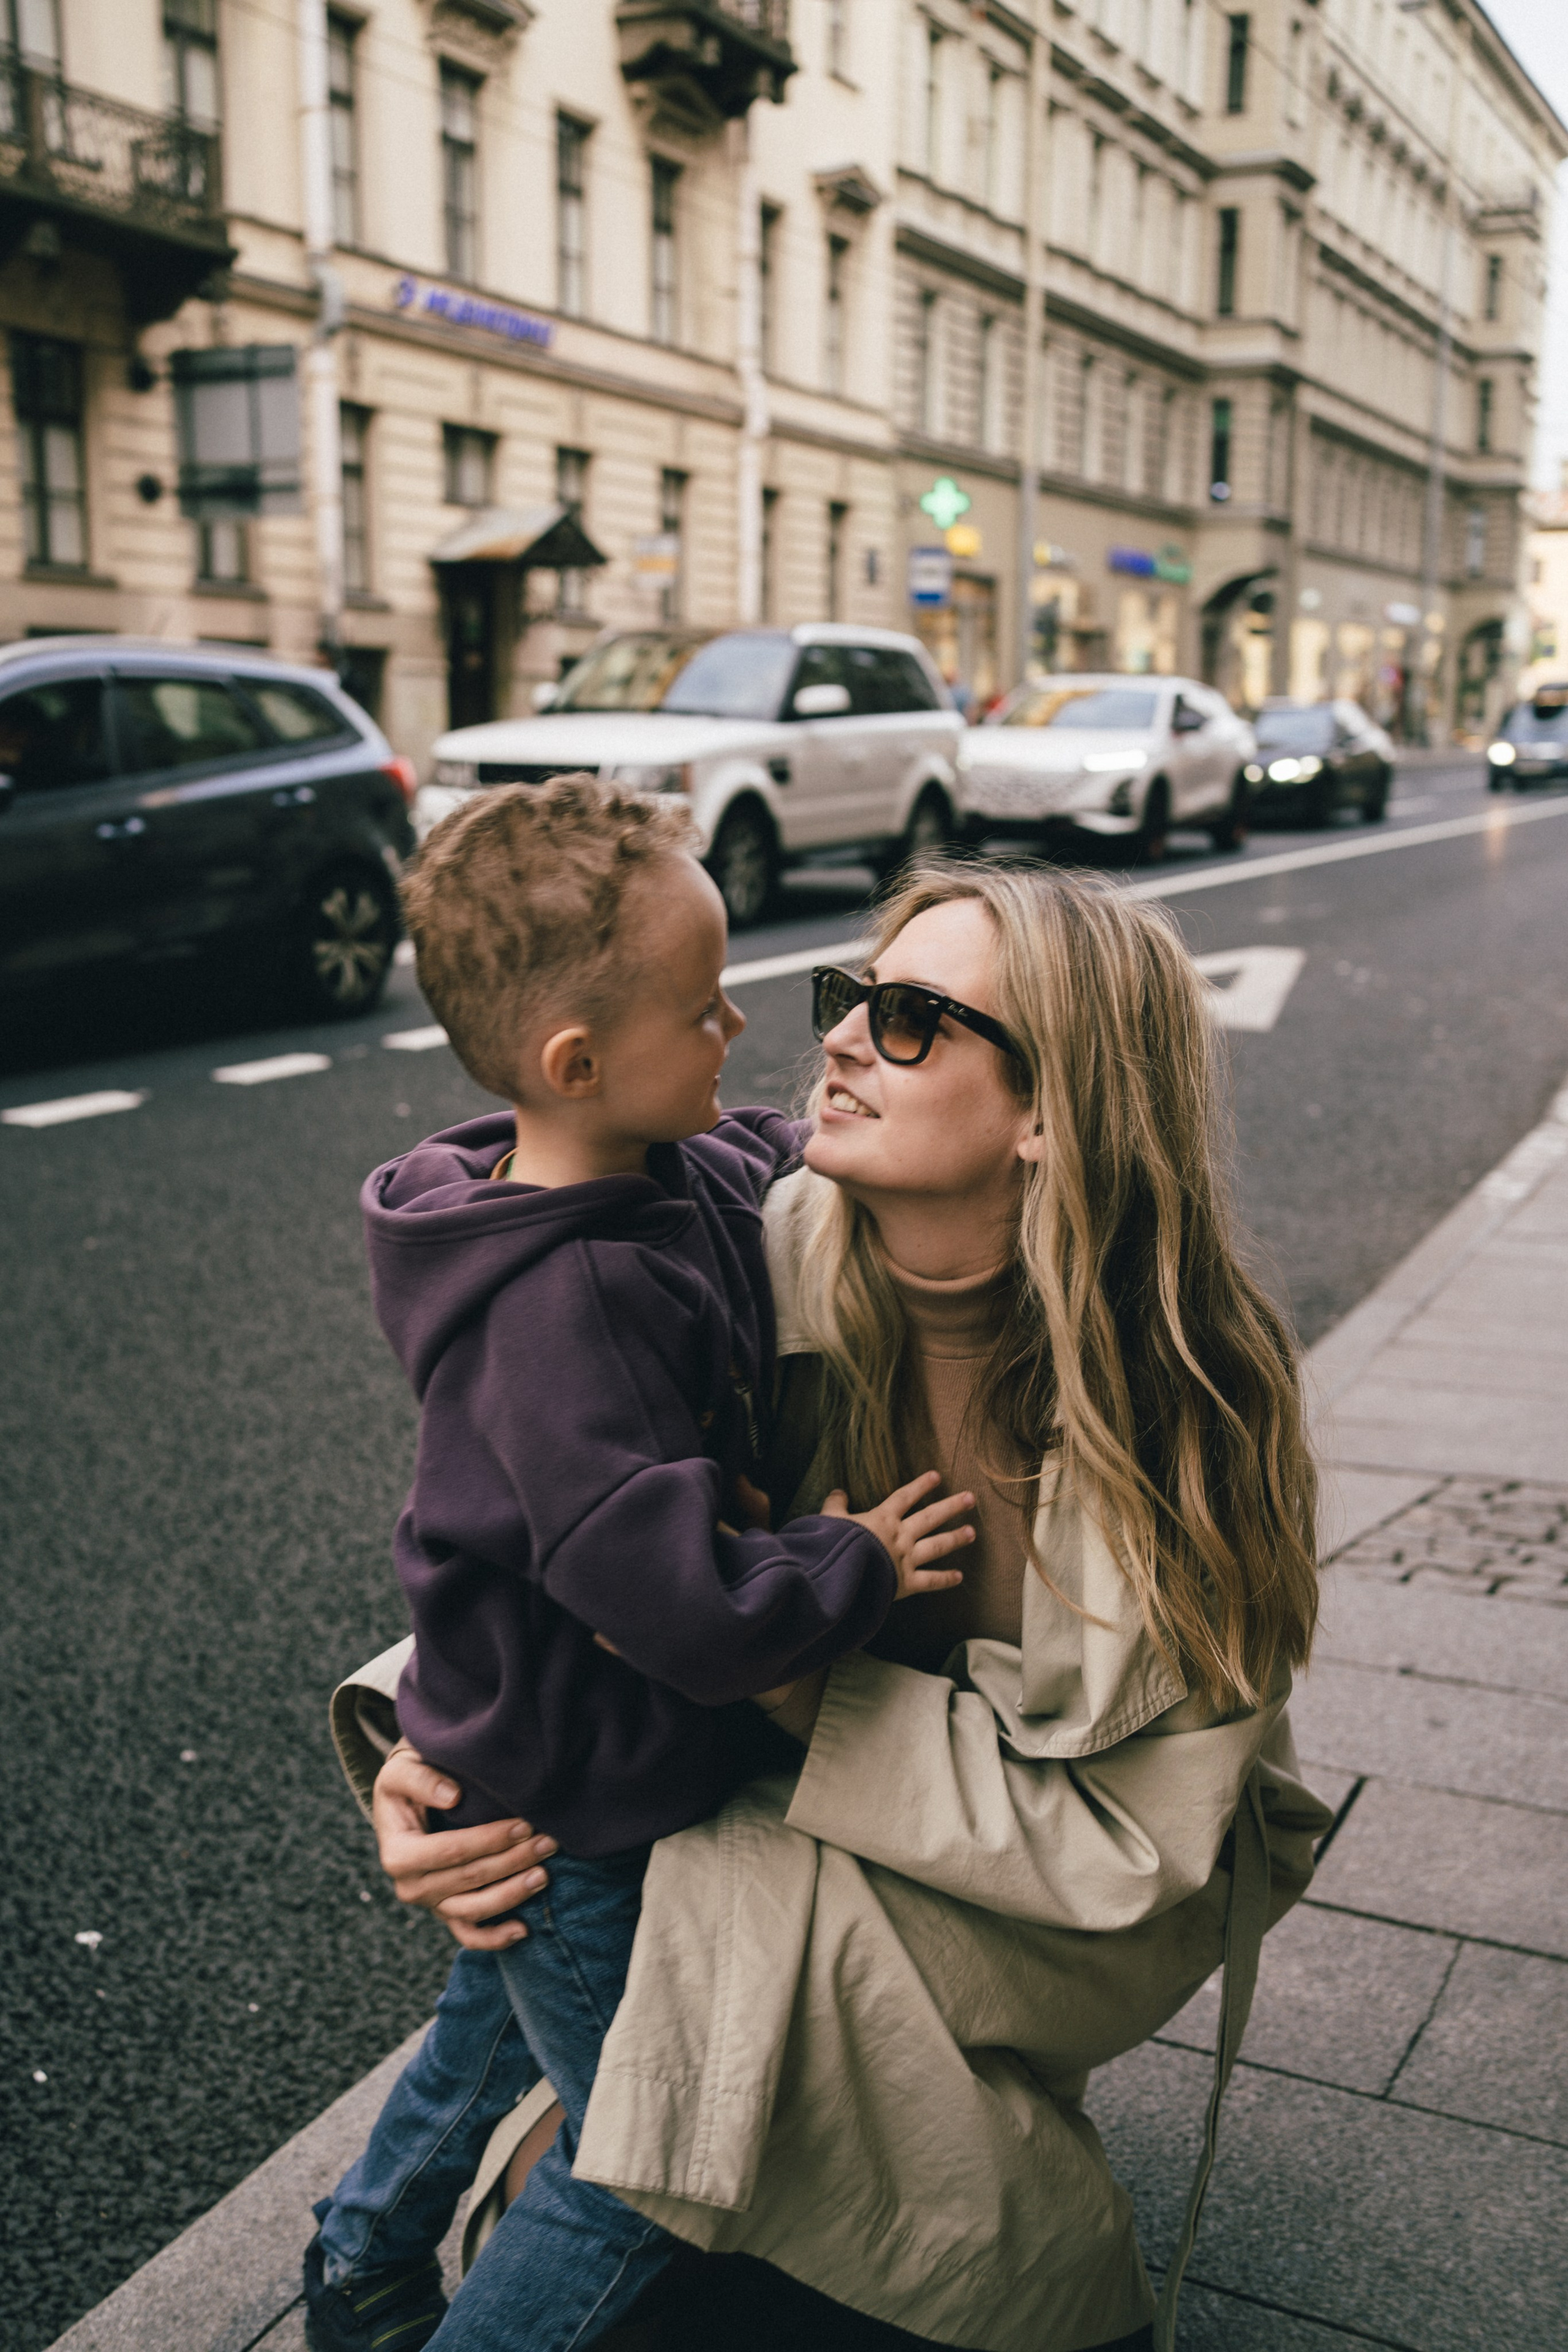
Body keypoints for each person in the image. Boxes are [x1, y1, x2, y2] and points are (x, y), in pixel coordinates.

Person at [361, 859, 1329, 2352]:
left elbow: (1137, 1855)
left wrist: (783, 1690)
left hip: (1050, 1909)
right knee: (662, 2103)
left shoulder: (1186, 1412)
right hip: (769, 1826)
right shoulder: (727, 1243)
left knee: (703, 2112)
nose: (832, 1038)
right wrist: (430, 1752)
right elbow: (541, 1502)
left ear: (1049, 1110)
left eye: (912, 1020)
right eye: (850, 997)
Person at [304, 777, 976, 2352]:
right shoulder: (567, 1311)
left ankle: (361, 2266)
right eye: (704, 1007)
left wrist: (843, 1125)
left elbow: (751, 1153)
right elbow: (679, 1607)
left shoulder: (643, 1167)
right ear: (577, 1064)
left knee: (484, 2029)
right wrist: (851, 1560)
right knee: (650, 2165)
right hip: (573, 1783)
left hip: (525, 1752)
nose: (738, 1027)